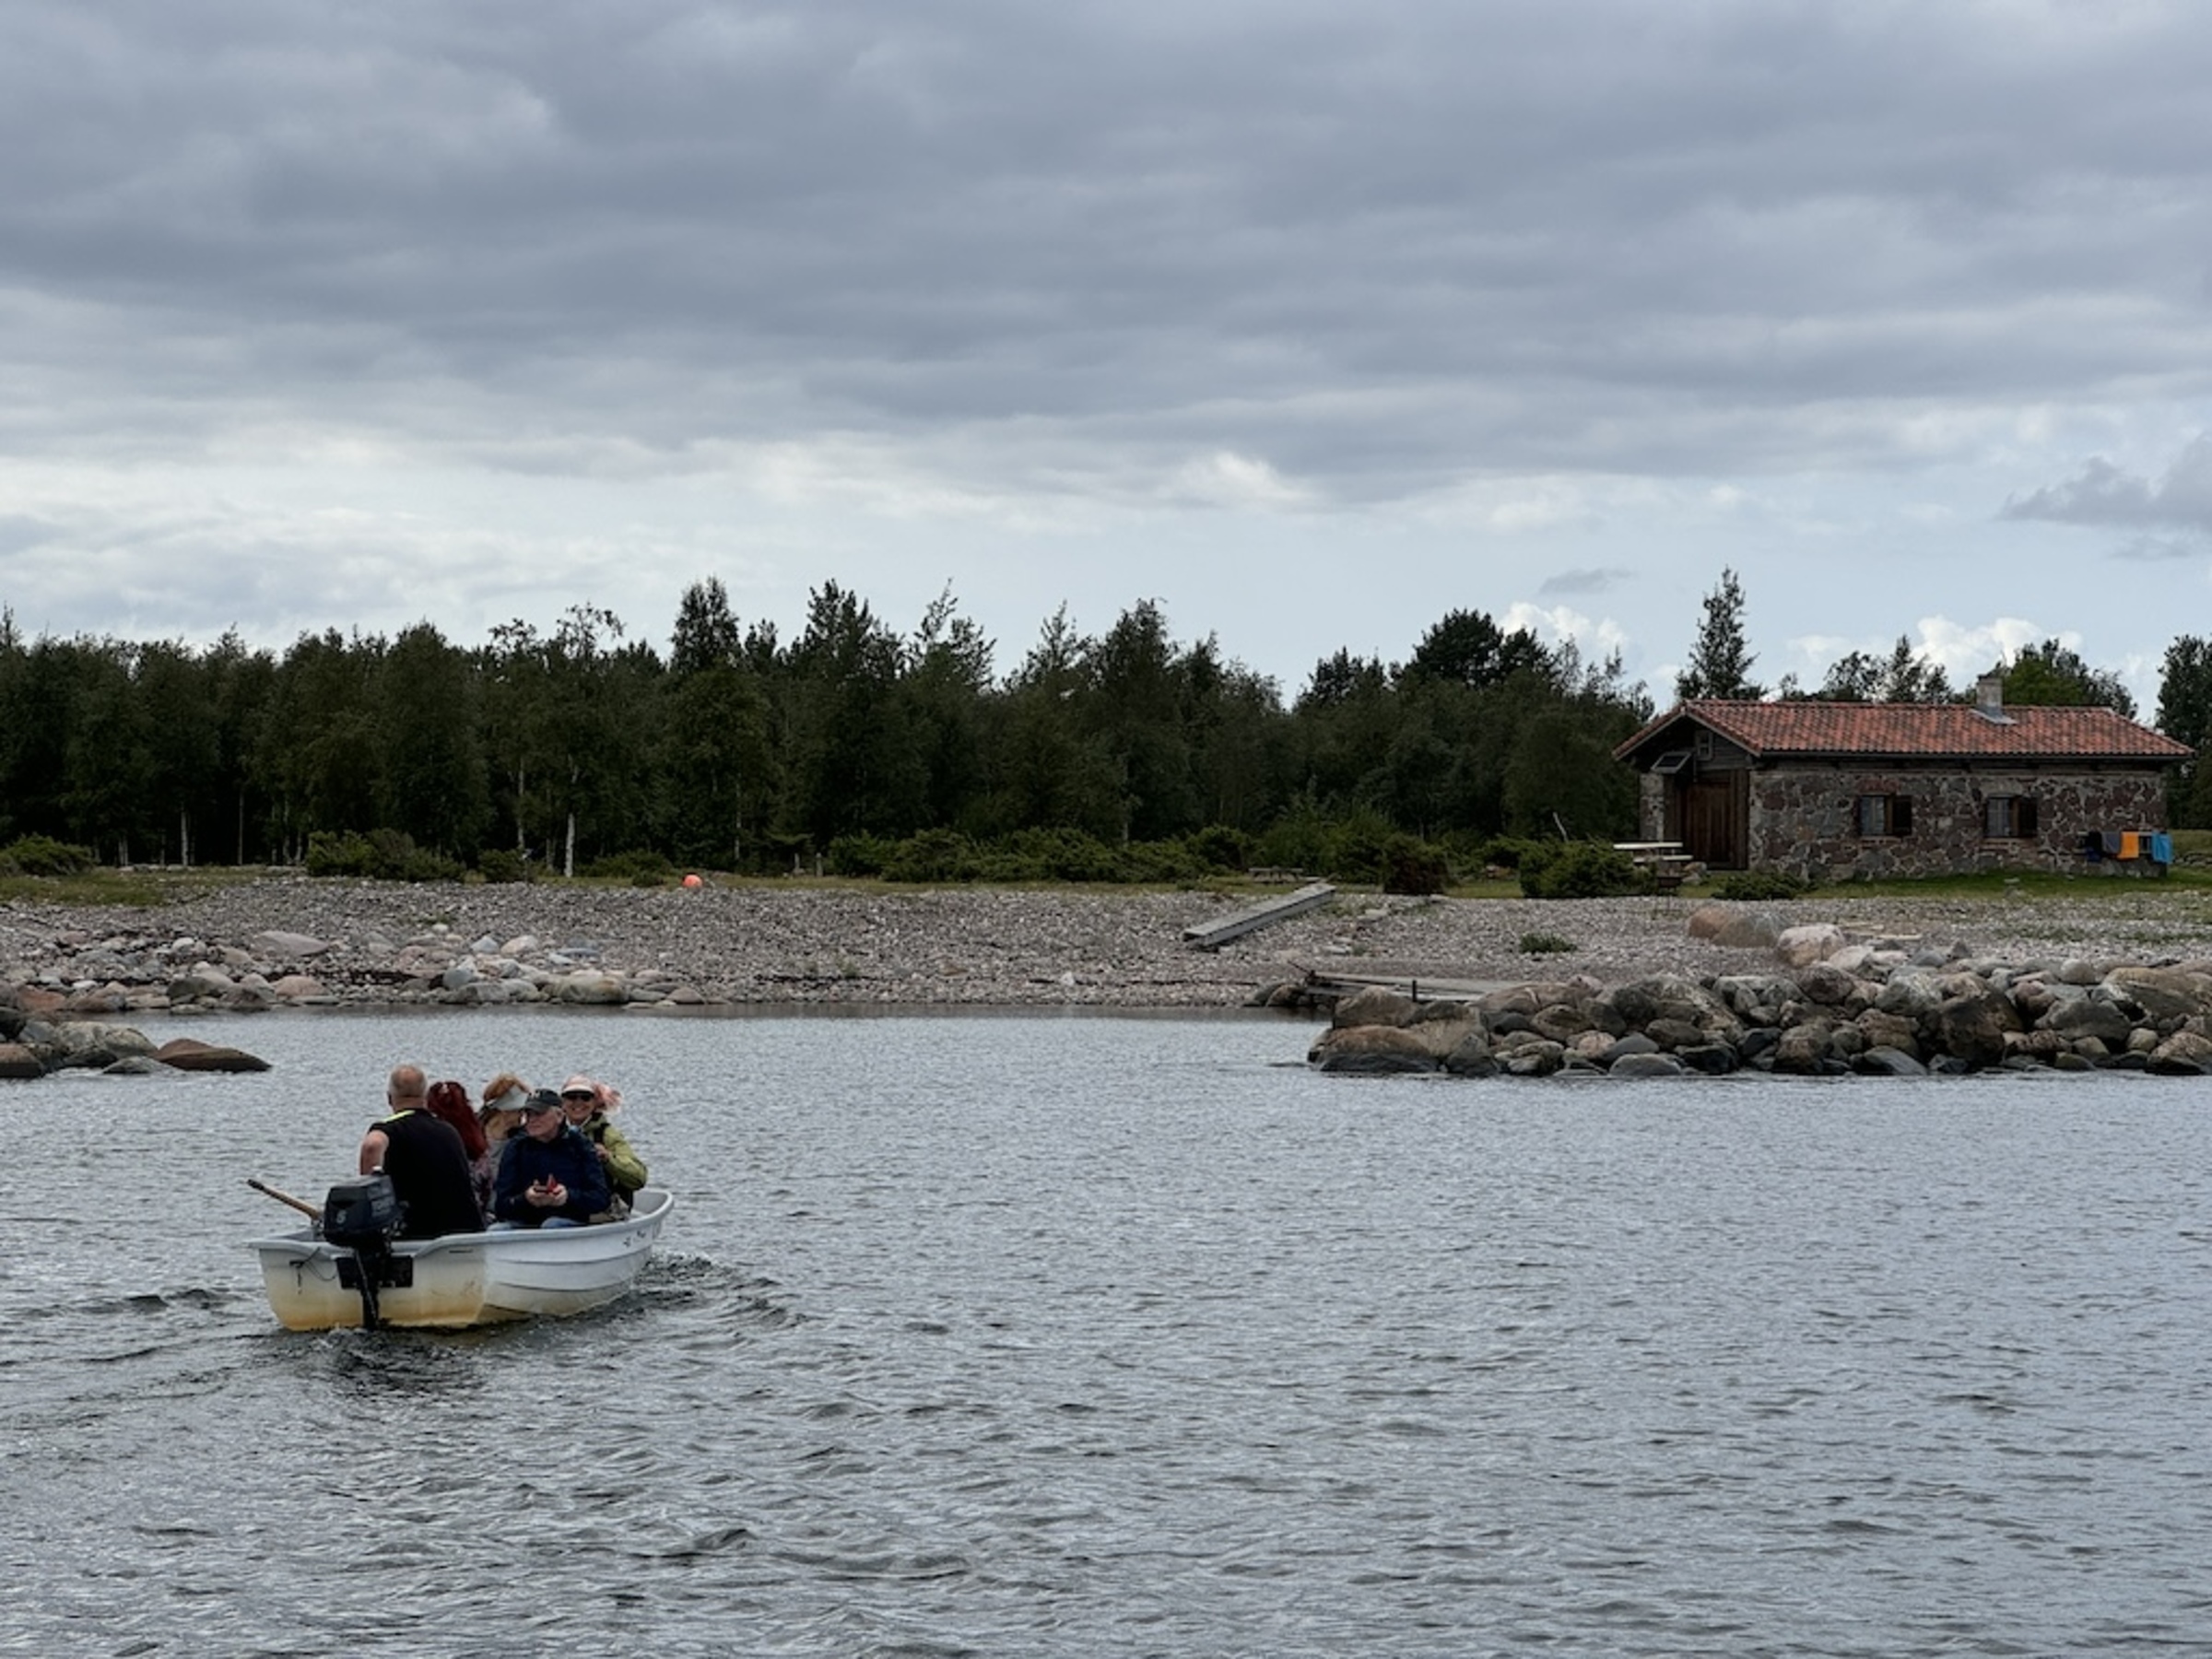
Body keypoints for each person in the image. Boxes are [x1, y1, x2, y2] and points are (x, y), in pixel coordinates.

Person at [358, 1064, 483, 1239]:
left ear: (389, 1098)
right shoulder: (448, 1130)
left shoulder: (390, 1129)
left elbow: (371, 1146)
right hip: (466, 1233)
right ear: (425, 1097)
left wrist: (367, 1194)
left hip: (418, 1237)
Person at [490, 1088, 609, 1229]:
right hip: (525, 1222)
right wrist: (526, 1199)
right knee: (496, 1230)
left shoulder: (579, 1145)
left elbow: (600, 1198)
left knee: (552, 1224)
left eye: (538, 1114)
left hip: (567, 1220)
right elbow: (501, 1205)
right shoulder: (517, 1146)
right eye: (528, 1114)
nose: (532, 1120)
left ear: (559, 1116)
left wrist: (567, 1197)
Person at [559, 1074, 649, 1211]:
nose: (578, 1102)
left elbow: (639, 1178)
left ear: (595, 1102)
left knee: (555, 1224)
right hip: (564, 1204)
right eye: (571, 1097)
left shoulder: (608, 1135)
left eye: (585, 1097)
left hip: (605, 1209)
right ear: (562, 1103)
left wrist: (607, 1158)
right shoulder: (552, 1132)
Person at [472, 1073, 531, 1216]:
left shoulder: (524, 1140)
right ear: (505, 1110)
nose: (523, 1115)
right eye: (519, 1110)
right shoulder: (471, 1136)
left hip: (509, 1212)